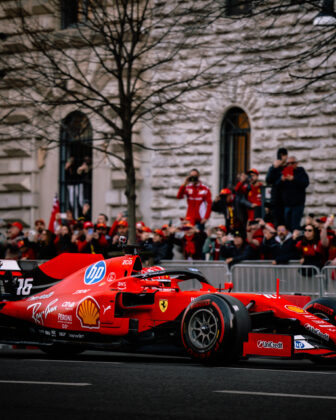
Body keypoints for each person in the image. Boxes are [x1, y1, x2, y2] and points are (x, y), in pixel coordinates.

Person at [278, 156, 309, 231]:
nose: (290, 165)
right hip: (287, 205)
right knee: (287, 226)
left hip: (297, 204)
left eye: (292, 163)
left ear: (296, 163)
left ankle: (295, 241)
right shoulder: (284, 171)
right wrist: (281, 180)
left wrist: (293, 179)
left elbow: (305, 183)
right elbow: (277, 187)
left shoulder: (301, 171)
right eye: (288, 163)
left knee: (295, 226)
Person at [266, 147, 288, 225]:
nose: (282, 157)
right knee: (277, 222)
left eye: (284, 155)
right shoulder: (274, 168)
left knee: (286, 223)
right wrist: (273, 168)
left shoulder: (288, 167)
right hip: (276, 200)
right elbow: (268, 180)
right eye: (280, 155)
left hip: (286, 200)